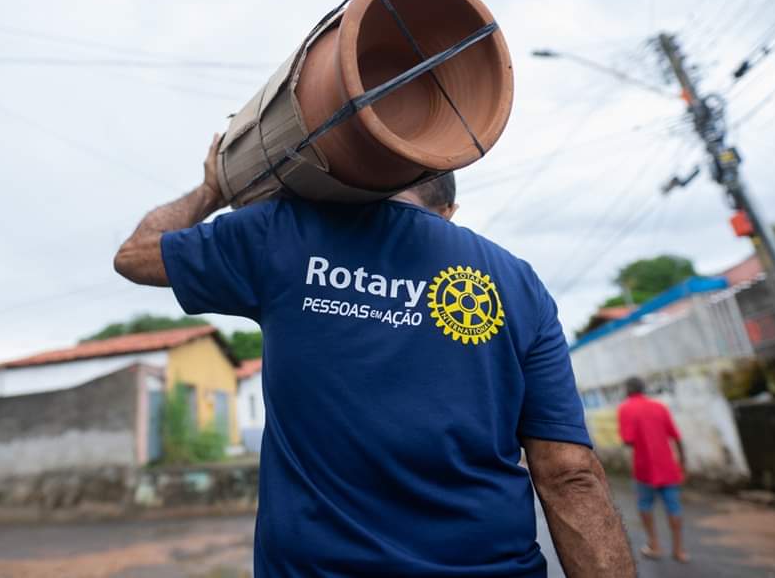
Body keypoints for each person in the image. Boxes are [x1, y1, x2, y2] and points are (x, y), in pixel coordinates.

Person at [114, 134, 635, 577]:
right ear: (448, 211)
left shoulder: (284, 231)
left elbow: (136, 254)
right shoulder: (518, 284)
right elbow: (570, 473)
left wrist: (215, 186)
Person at [618, 376, 689, 563]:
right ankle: (679, 551)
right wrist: (683, 464)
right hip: (668, 467)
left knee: (645, 506)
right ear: (643, 389)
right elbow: (677, 437)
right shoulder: (659, 407)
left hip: (644, 469)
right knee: (674, 508)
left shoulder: (625, 408)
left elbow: (628, 440)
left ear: (628, 390)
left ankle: (655, 546)